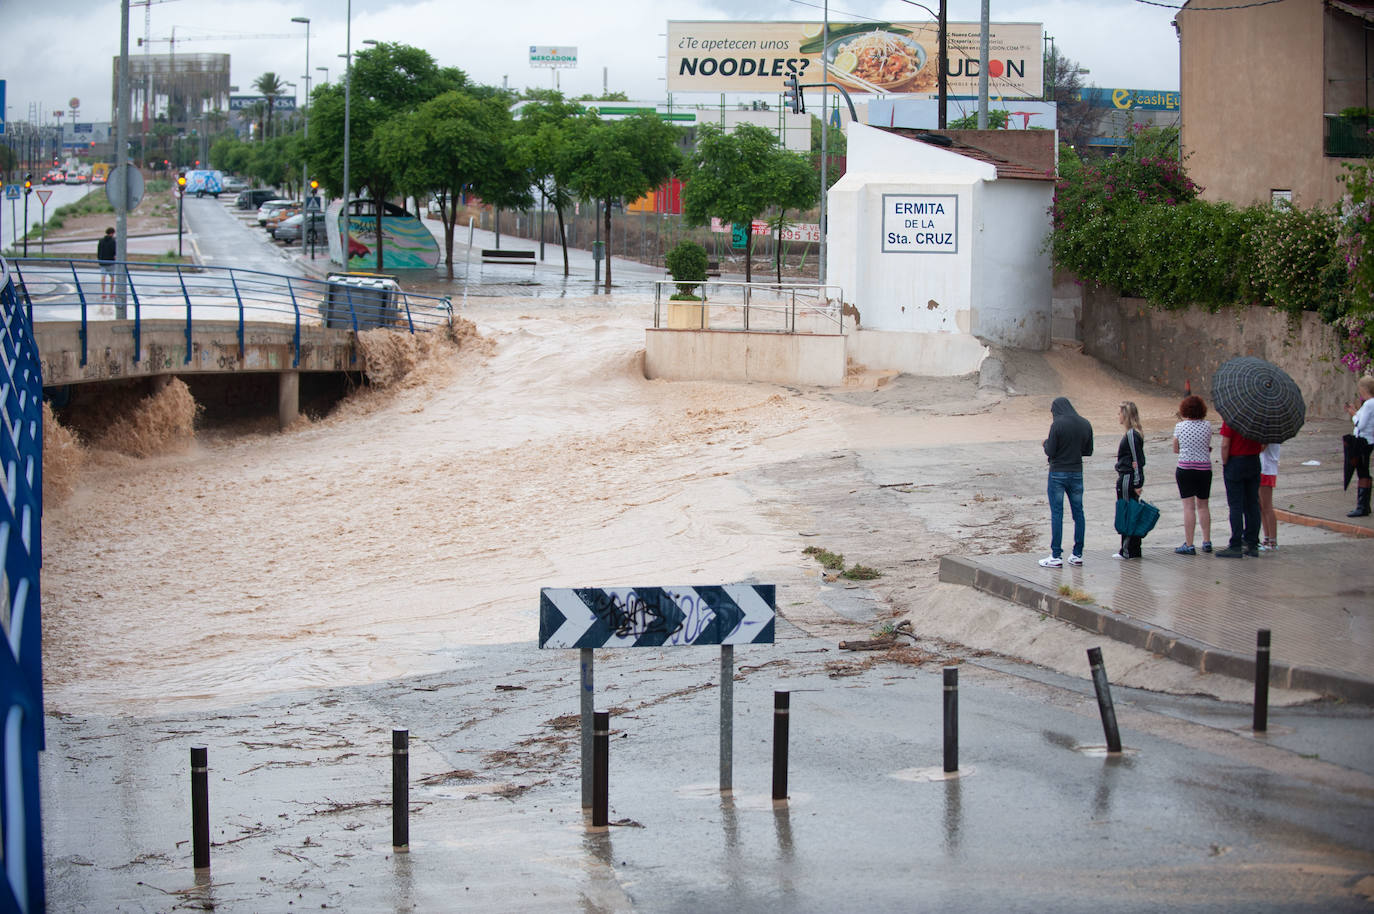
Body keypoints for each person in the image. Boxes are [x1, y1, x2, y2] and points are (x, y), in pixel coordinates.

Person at [1039, 397, 1094, 568]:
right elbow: (1088, 450)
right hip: (1077, 472)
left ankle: (1056, 555)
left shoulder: (1058, 425)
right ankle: (1077, 553)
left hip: (1057, 473)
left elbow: (1051, 450)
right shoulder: (1085, 423)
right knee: (1079, 513)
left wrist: (1045, 444)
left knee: (1057, 513)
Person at [1171, 395, 1213, 555]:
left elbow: (1176, 449)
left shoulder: (1180, 427)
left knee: (1188, 507)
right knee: (1203, 505)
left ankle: (1189, 544)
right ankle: (1207, 541)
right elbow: (1206, 445)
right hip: (1204, 468)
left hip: (1185, 468)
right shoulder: (1207, 426)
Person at [1216, 418, 1264, 557]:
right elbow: (1263, 443)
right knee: (1252, 503)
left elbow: (1225, 444)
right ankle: (1252, 542)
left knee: (1236, 505)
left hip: (1235, 461)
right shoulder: (1258, 420)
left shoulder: (1232, 419)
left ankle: (1236, 544)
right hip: (1253, 460)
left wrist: (1225, 463)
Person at [1113, 401, 1146, 559]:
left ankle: (1127, 550)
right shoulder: (1133, 433)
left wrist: (1138, 482)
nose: (1118, 416)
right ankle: (1132, 549)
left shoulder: (1132, 434)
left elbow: (1138, 459)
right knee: (1129, 512)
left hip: (1128, 478)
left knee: (1127, 513)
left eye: (1119, 413)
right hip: (1127, 476)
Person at [1345, 375, 1374, 517]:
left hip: (1363, 441)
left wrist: (1352, 415)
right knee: (1364, 470)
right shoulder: (1370, 404)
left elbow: (1361, 424)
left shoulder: (1369, 404)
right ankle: (1365, 505)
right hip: (1368, 440)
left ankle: (1362, 506)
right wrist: (1356, 412)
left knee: (1362, 471)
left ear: (1364, 389)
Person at [1259, 443, 1280, 550]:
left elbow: (1261, 448)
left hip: (1266, 470)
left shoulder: (1269, 433)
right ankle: (1267, 538)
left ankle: (1272, 540)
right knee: (1262, 507)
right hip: (1264, 469)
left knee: (1267, 506)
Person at [97, 227, 117, 300]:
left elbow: (98, 251)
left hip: (102, 261)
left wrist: (99, 259)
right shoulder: (113, 241)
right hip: (110, 261)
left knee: (103, 277)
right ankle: (111, 293)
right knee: (112, 277)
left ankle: (103, 293)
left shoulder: (101, 241)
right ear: (112, 233)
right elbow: (114, 251)